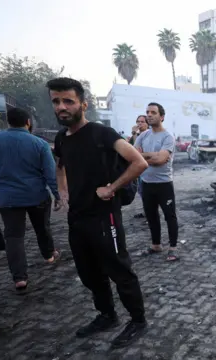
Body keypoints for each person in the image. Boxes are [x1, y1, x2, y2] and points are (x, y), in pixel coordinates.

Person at [48, 77, 149, 348]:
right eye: (56, 101)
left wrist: (113, 187)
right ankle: (107, 315)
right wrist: (62, 190)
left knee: (119, 269)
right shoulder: (61, 138)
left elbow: (139, 162)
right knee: (89, 272)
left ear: (83, 104)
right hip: (77, 218)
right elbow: (60, 165)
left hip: (106, 216)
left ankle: (138, 320)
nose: (61, 107)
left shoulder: (101, 133)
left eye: (68, 101)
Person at [0, 108, 61, 291]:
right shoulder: (39, 143)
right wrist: (57, 195)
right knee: (42, 227)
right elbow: (50, 173)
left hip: (8, 198)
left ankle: (20, 278)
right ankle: (48, 255)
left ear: (8, 122)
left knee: (14, 236)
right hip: (37, 195)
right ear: (28, 122)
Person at [135, 103, 179, 262]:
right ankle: (156, 245)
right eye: (147, 112)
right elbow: (133, 156)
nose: (149, 115)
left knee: (170, 216)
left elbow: (161, 159)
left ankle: (173, 247)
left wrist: (143, 156)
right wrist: (151, 156)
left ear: (162, 117)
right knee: (151, 215)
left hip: (164, 184)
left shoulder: (168, 137)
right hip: (146, 183)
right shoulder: (143, 136)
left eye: (153, 112)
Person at [130, 115, 149, 219]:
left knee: (145, 190)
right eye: (138, 121)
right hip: (138, 168)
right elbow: (132, 149)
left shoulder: (149, 135)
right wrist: (134, 134)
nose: (139, 124)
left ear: (147, 124)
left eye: (142, 121)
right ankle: (147, 211)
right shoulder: (136, 136)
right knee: (141, 190)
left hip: (148, 167)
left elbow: (138, 151)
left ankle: (149, 212)